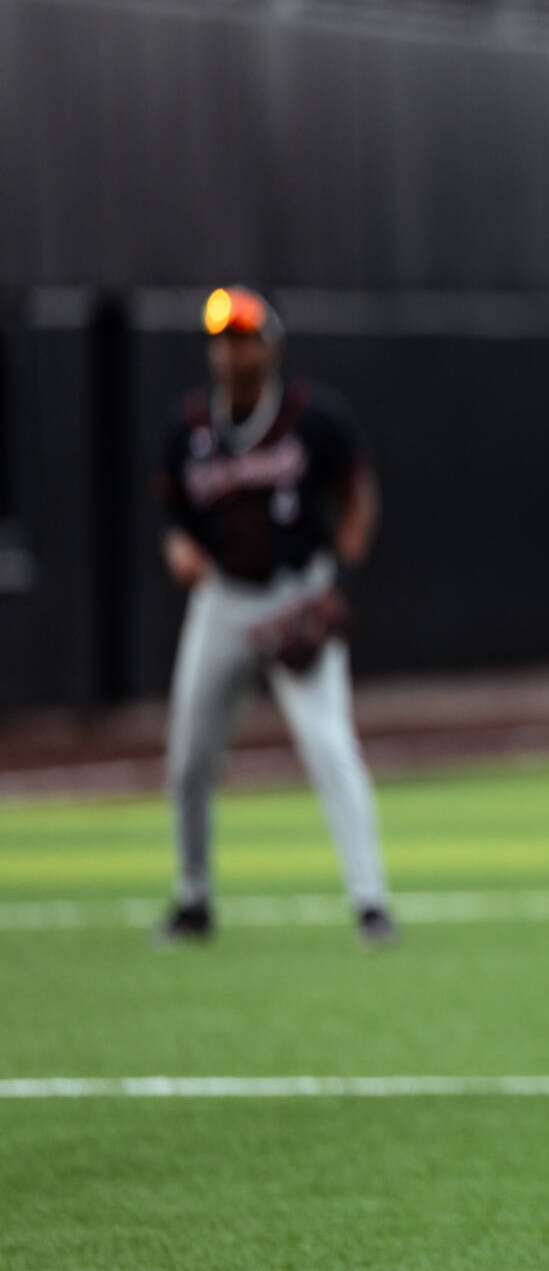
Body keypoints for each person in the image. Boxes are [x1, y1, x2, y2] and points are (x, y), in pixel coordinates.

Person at [152, 286, 396, 948]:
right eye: (222, 338)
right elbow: (175, 521)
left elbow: (357, 492)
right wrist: (179, 551)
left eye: (243, 337)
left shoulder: (314, 415)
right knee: (189, 758)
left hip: (296, 593)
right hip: (223, 603)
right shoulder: (189, 425)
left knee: (328, 745)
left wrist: (338, 577)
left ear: (271, 345)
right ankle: (193, 897)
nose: (231, 351)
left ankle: (371, 902)